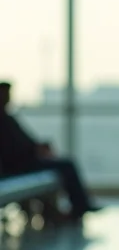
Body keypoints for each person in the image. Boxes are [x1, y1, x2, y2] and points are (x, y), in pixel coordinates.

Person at [0, 82, 101, 221]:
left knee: (65, 164)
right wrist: (34, 149)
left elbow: (23, 143)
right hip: (20, 165)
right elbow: (13, 150)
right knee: (67, 165)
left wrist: (37, 147)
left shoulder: (8, 118)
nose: (9, 98)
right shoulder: (3, 120)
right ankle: (80, 206)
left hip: (25, 160)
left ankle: (76, 207)